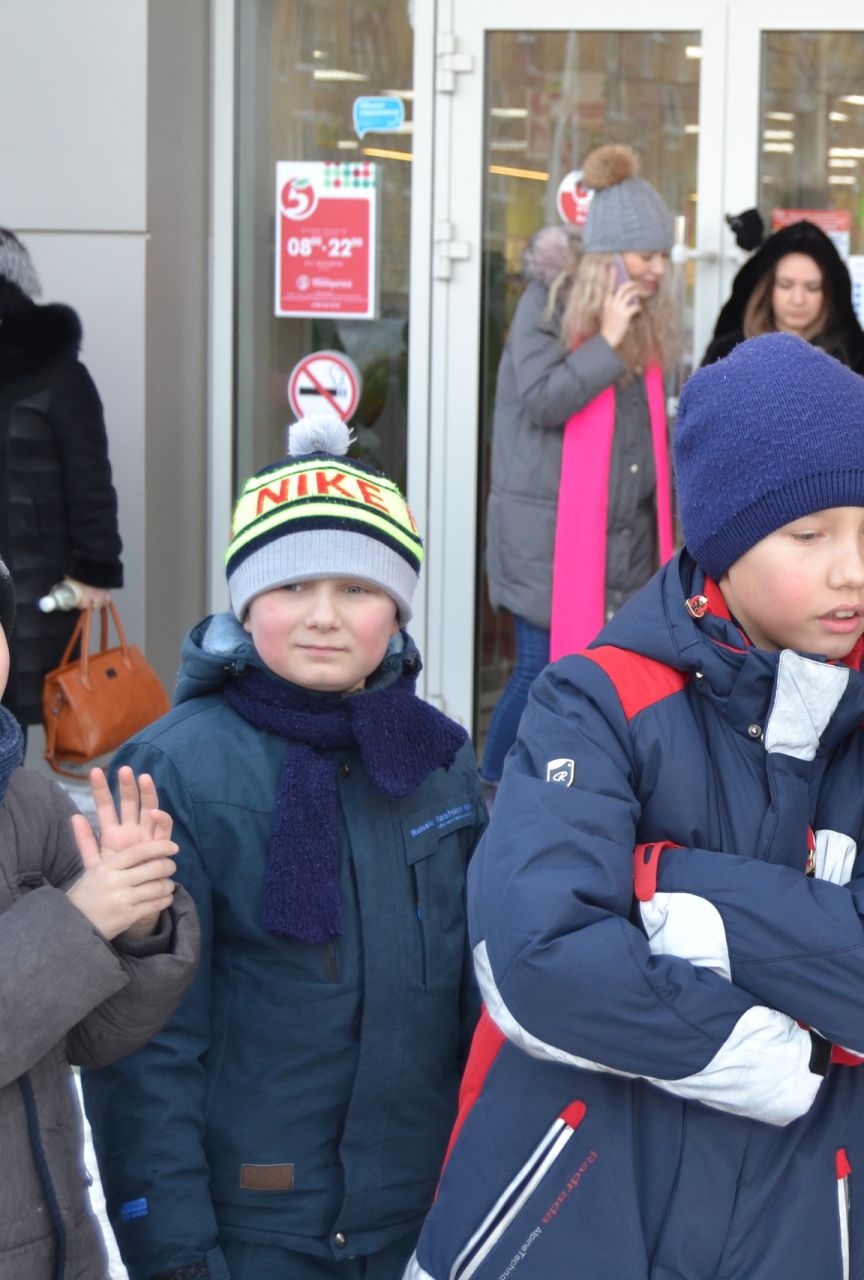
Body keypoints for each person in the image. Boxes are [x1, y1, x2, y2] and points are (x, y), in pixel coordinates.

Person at [408, 334, 864, 1280]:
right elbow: (537, 957)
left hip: (792, 1224)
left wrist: (668, 884)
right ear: (723, 535)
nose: (854, 570)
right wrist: (780, 1054)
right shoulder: (595, 701)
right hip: (566, 1219)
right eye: (810, 534)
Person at [84, 417, 484, 1280]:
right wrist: (176, 1252)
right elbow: (148, 1047)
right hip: (251, 1230)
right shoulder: (177, 771)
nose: (324, 617)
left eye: (357, 588)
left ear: (400, 607)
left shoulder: (437, 764)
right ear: (246, 602)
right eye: (292, 586)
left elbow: (472, 1009)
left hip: (422, 1218)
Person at [0, 553, 199, 1280]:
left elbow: (92, 1036)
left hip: (61, 1245)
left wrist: (137, 923)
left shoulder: (28, 801)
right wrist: (79, 923)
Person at [483, 143, 680, 794]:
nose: (657, 270)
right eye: (647, 255)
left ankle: (555, 794)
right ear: (611, 254)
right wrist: (606, 344)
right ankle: (488, 789)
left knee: (598, 678)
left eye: (661, 257)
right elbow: (542, 401)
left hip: (615, 543)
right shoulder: (547, 305)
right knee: (540, 672)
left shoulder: (641, 321)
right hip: (548, 542)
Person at [0, 227, 124, 732]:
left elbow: (90, 479)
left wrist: (95, 568)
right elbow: (90, 479)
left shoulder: (58, 374)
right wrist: (94, 568)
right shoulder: (61, 374)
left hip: (31, 584)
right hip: (30, 583)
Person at [702, 218, 864, 418]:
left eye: (812, 287)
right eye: (786, 285)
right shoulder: (726, 354)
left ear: (829, 293)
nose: (798, 299)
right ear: (767, 288)